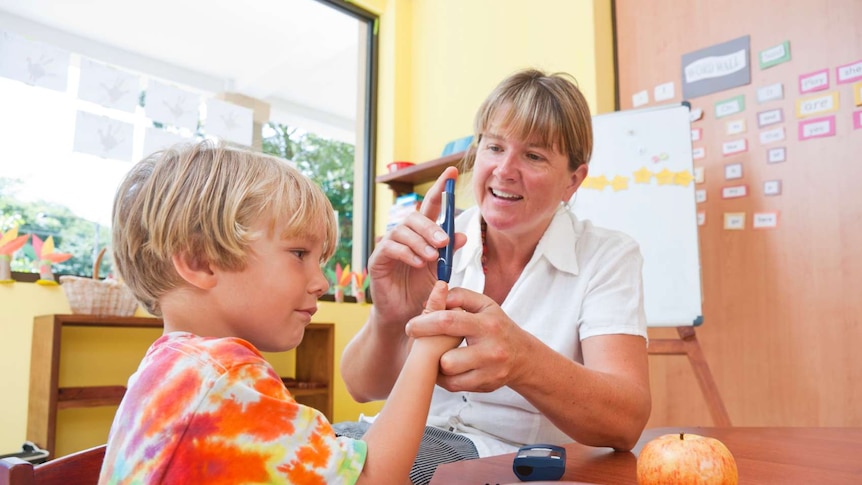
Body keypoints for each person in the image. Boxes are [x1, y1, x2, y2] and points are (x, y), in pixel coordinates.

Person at [338, 68, 651, 480]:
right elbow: (362, 387)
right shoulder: (434, 241)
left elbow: (625, 423)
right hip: (396, 434)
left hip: (506, 457)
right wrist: (390, 316)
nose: (505, 170)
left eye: (534, 155)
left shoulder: (607, 255)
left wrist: (523, 361)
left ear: (573, 180)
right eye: (494, 147)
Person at [100, 140, 460, 485]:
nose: (320, 282)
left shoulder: (166, 369)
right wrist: (426, 350)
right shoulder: (227, 374)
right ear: (200, 262)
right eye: (299, 254)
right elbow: (373, 480)